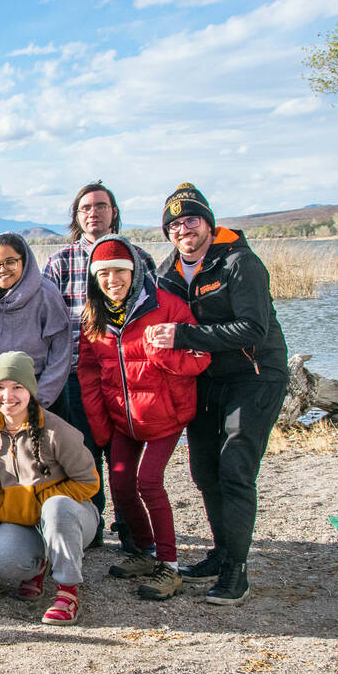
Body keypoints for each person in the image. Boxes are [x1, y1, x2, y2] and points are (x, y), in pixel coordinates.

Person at [150, 183, 288, 606]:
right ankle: (221, 552)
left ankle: (237, 570)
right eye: (173, 224)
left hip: (254, 374)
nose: (182, 229)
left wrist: (183, 334)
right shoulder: (167, 273)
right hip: (206, 380)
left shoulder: (240, 263)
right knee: (204, 471)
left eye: (190, 219)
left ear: (208, 223)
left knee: (234, 470)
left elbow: (253, 328)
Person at [77, 236, 210, 600]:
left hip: (166, 415)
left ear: (134, 272)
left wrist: (162, 355)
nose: (112, 279)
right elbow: (88, 374)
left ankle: (169, 565)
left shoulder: (166, 306)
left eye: (119, 270)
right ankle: (144, 551)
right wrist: (101, 425)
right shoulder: (94, 316)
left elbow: (201, 358)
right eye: (103, 273)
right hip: (124, 419)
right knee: (120, 484)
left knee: (148, 482)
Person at [43, 183, 156, 550]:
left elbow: (152, 312)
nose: (94, 213)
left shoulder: (138, 257)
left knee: (125, 454)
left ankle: (130, 528)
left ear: (114, 212)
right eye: (86, 207)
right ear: (76, 216)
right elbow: (47, 320)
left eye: (102, 206)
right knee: (85, 451)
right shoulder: (61, 262)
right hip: (77, 374)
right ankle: (89, 521)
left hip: (126, 375)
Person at [0, 352, 100, 625]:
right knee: (2, 560)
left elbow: (89, 482)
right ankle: (37, 565)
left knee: (56, 507)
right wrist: (3, 503)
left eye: (17, 387)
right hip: (25, 519)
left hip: (72, 516)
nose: (7, 396)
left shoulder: (57, 431)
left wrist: (40, 501)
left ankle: (68, 592)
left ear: (30, 391)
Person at [0, 232, 71, 416]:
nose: (2, 269)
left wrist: (38, 402)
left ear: (24, 261)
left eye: (10, 261)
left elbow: (61, 353)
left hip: (44, 394)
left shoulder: (46, 294)